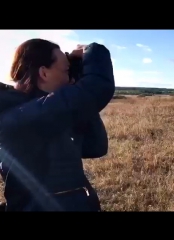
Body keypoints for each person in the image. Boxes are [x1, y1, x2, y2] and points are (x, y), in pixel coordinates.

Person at [0, 38, 115, 211]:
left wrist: (75, 74)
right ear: (44, 73)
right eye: (66, 71)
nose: (70, 79)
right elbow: (96, 87)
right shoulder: (20, 117)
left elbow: (95, 147)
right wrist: (93, 51)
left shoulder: (43, 114)